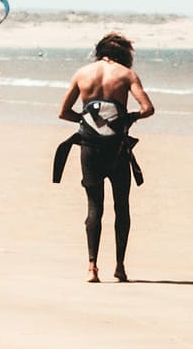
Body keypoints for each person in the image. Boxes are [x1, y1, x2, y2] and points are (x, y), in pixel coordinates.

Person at [56, 32, 155, 283]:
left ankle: (92, 268)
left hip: (89, 148)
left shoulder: (82, 74)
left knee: (94, 207)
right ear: (125, 54)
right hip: (117, 149)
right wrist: (128, 118)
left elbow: (63, 112)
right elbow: (148, 109)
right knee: (122, 207)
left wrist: (87, 120)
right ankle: (120, 267)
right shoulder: (127, 75)